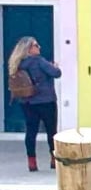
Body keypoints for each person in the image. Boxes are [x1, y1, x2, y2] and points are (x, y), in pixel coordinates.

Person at [7, 36, 60, 172]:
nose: (39, 47)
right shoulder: (39, 61)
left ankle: (32, 162)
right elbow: (56, 73)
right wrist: (55, 66)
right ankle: (54, 159)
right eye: (36, 45)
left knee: (31, 131)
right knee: (51, 130)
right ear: (28, 49)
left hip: (27, 102)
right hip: (46, 101)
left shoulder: (17, 63)